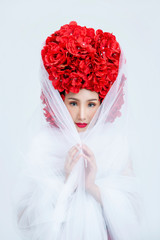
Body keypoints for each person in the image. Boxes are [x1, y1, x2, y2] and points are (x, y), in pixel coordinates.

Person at [13, 21, 143, 240]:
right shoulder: (44, 144)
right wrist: (66, 182)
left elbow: (132, 214)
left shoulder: (115, 144)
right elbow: (25, 218)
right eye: (73, 103)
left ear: (105, 102)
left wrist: (91, 186)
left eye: (91, 104)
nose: (82, 115)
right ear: (58, 100)